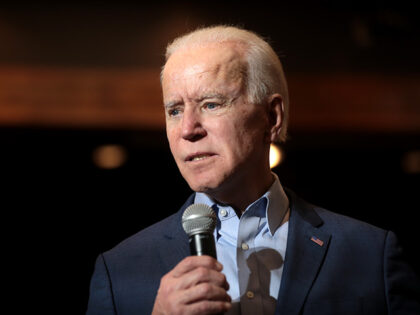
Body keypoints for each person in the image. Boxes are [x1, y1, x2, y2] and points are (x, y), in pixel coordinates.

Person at [86, 25, 420, 315]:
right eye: (174, 110)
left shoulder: (370, 256)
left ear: (272, 118)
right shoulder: (119, 271)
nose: (188, 128)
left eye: (211, 104)